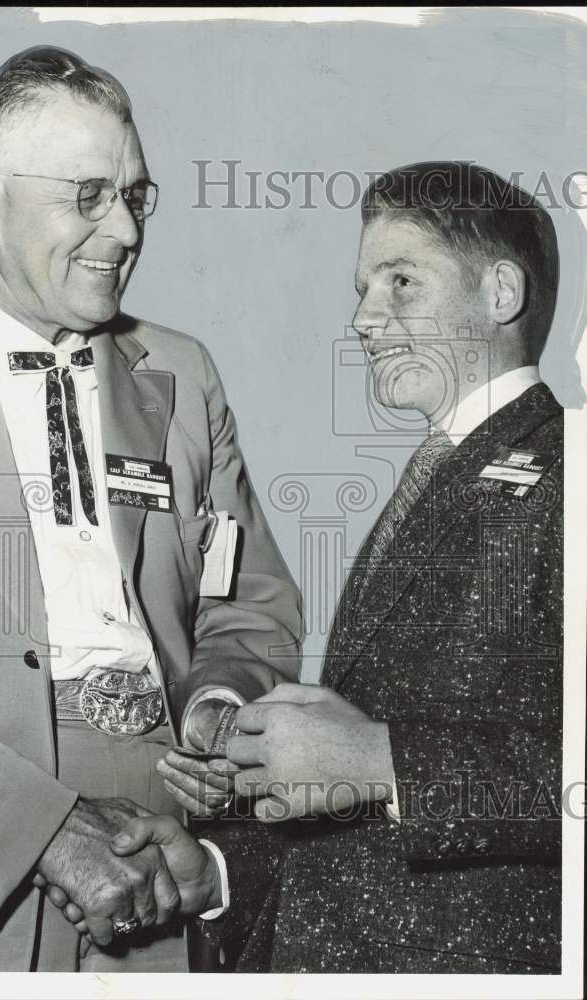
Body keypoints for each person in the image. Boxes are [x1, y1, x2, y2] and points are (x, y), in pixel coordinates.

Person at [78, 161, 564, 973]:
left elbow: (383, 763)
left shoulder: (566, 471)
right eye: (363, 289)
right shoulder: (451, 465)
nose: (366, 318)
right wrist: (222, 866)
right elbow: (357, 795)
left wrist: (378, 758)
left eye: (401, 281)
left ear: (502, 293)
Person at [0, 46, 301, 973]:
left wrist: (220, 705)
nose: (126, 229)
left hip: (167, 831)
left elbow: (246, 598)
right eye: (87, 195)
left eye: (137, 195)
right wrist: (35, 826)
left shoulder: (181, 370)